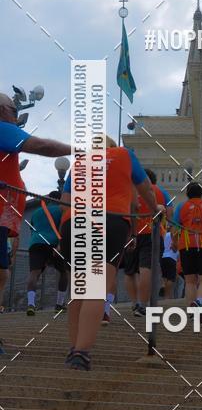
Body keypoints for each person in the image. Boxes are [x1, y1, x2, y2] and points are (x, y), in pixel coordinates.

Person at [60, 137, 162, 370]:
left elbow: (64, 203)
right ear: (111, 146)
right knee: (97, 287)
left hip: (73, 222)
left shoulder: (80, 162)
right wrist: (155, 208)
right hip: (110, 220)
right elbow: (144, 188)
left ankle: (73, 347)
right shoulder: (124, 154)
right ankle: (81, 352)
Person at [0, 91, 70, 311]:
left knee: (8, 273)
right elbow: (42, 146)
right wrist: (79, 150)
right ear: (3, 111)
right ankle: (60, 303)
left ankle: (30, 305)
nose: (17, 116)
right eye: (15, 110)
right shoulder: (2, 128)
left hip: (25, 238)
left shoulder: (39, 211)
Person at [123, 168, 171, 317]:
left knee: (130, 271)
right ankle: (142, 305)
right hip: (152, 232)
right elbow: (170, 214)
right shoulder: (161, 192)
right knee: (146, 269)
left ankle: (134, 303)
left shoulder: (130, 190)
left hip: (131, 233)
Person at [172, 184, 202, 312]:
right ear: (201, 193)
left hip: (186, 245)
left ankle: (191, 310)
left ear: (187, 194)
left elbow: (175, 228)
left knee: (190, 280)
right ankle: (200, 301)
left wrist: (174, 243)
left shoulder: (181, 206)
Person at [25, 192, 68, 315]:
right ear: (60, 199)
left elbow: (32, 228)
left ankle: (31, 304)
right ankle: (59, 304)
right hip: (54, 244)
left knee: (34, 274)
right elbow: (64, 227)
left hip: (36, 243)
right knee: (63, 273)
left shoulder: (36, 212)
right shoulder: (61, 210)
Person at [160, 228, 178, 299]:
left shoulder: (164, 235)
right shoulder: (174, 235)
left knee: (165, 276)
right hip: (171, 257)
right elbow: (175, 247)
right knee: (171, 278)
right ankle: (167, 295)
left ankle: (164, 288)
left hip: (163, 257)